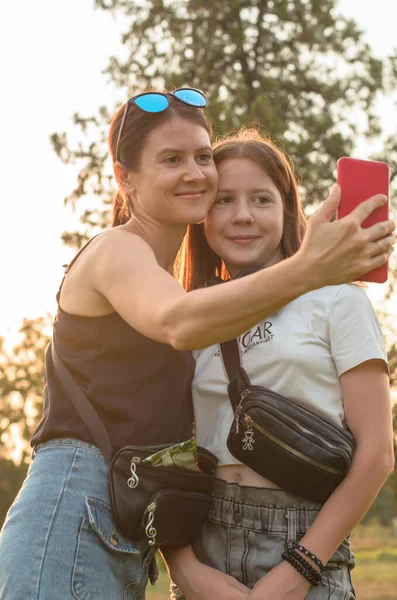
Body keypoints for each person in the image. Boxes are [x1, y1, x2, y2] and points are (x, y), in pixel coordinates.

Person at [0, 88, 394, 600]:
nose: (194, 173)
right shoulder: (121, 254)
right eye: (170, 159)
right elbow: (179, 325)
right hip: (76, 512)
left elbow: (171, 445)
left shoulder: (176, 287)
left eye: (202, 156)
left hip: (125, 528)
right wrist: (309, 267)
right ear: (125, 178)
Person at [168, 128, 394, 600]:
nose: (243, 216)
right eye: (223, 200)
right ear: (201, 217)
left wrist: (298, 571)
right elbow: (164, 452)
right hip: (205, 549)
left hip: (309, 545)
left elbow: (376, 453)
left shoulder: (338, 301)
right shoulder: (186, 315)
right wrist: (183, 567)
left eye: (261, 199)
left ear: (290, 210)